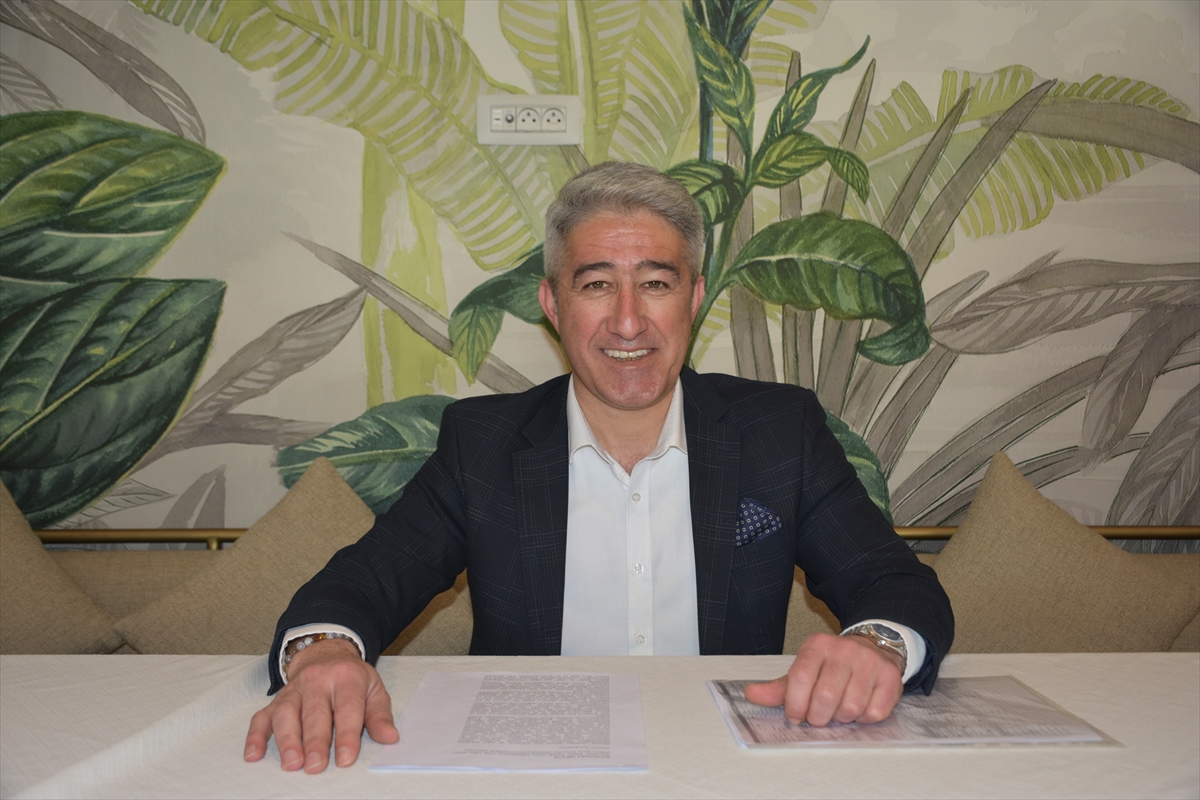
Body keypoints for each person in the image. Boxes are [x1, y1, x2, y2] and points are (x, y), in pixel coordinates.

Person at [244, 161, 953, 773]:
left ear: (694, 298)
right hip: (534, 770)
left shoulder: (779, 433)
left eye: (656, 284)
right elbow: (363, 582)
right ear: (552, 305)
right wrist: (325, 652)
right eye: (595, 286)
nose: (627, 322)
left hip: (722, 768)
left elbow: (893, 583)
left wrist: (877, 643)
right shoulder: (483, 445)